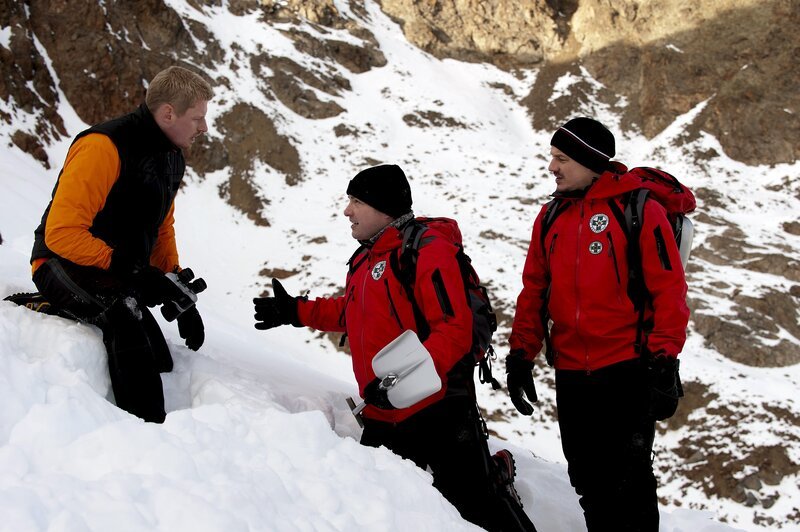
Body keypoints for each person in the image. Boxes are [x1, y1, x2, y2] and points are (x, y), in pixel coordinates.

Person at [254, 164, 535, 531]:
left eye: (356, 201)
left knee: (477, 508)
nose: (347, 211)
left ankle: (498, 475)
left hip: (439, 409)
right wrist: (296, 310)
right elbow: (355, 311)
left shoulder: (427, 252)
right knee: (384, 510)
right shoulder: (366, 258)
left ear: (383, 207)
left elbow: (454, 330)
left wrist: (398, 384)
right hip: (383, 412)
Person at [506, 117, 689, 531]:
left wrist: (664, 360)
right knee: (588, 481)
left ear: (592, 163)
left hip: (628, 368)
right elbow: (534, 289)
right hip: (572, 372)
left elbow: (669, 289)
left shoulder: (637, 209)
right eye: (552, 157)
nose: (552, 167)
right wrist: (521, 354)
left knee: (630, 483)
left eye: (562, 158)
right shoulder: (550, 217)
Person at [29, 66, 213, 423]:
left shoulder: (171, 158)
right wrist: (132, 270)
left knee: (159, 359)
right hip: (60, 263)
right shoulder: (103, 146)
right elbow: (61, 233)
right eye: (198, 118)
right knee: (122, 316)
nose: (204, 128)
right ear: (168, 113)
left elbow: (161, 228)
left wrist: (177, 288)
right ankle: (145, 430)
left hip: (113, 271)